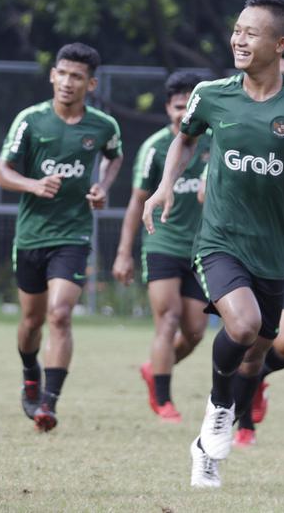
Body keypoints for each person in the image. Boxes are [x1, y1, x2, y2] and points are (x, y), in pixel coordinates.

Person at [142, 0, 284, 489]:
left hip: (274, 251)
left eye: (250, 33)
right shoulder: (211, 94)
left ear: (279, 44)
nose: (238, 39)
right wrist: (166, 185)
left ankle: (205, 452)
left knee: (257, 349)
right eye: (236, 30)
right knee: (244, 324)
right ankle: (219, 412)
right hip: (218, 240)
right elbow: (186, 137)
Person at [0, 42, 123, 432]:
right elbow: (1, 172)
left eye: (77, 77)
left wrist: (102, 187)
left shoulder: (103, 126)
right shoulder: (31, 121)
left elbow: (114, 156)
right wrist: (33, 185)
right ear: (52, 76)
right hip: (32, 235)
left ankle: (48, 403)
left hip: (74, 234)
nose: (68, 82)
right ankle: (29, 372)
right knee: (32, 321)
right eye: (62, 74)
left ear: (91, 84)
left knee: (60, 314)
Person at [114, 71, 209, 424]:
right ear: (168, 108)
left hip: (201, 248)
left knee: (195, 332)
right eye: (178, 107)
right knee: (167, 319)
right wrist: (124, 252)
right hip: (162, 242)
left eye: (190, 107)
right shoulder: (154, 148)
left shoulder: (215, 142)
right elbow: (136, 202)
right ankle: (164, 401)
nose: (184, 114)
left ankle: (153, 369)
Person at [232, 49, 284, 446]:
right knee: (249, 339)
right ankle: (242, 423)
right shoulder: (244, 122)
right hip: (241, 253)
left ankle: (257, 379)